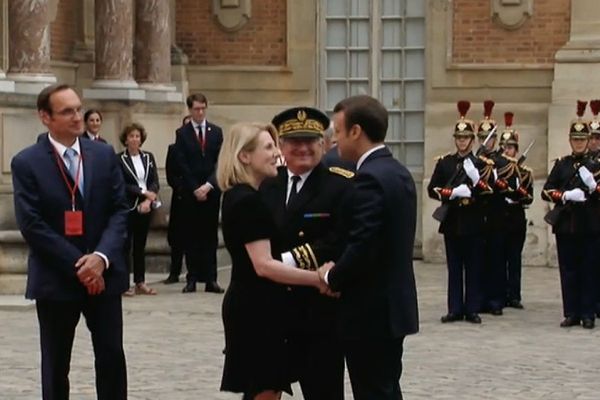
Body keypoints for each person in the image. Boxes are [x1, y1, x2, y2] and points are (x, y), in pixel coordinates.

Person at [11, 84, 128, 399]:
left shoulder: (103, 154)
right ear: (45, 117)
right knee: (55, 364)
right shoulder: (26, 163)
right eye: (67, 111)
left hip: (104, 275)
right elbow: (32, 225)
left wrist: (100, 258)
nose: (78, 117)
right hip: (56, 278)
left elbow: (119, 211)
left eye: (78, 108)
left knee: (112, 356)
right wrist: (80, 265)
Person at [217, 122, 329, 400]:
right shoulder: (247, 202)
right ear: (244, 156)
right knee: (264, 389)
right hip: (257, 310)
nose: (277, 153)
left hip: (258, 305)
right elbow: (264, 265)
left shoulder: (244, 196)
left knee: (265, 388)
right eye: (268, 147)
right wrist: (318, 279)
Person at [318, 95, 419, 400]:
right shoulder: (397, 171)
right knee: (386, 389)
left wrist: (330, 277)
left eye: (337, 131)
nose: (334, 140)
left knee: (372, 391)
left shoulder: (370, 178)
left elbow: (363, 243)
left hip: (370, 312)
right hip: (393, 308)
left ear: (355, 131)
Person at [261, 107, 353, 400]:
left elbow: (339, 239)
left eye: (310, 140)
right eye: (294, 142)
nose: (303, 148)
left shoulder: (340, 184)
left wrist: (281, 262)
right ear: (281, 147)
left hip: (318, 312)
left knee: (323, 391)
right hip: (271, 310)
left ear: (323, 144)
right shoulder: (266, 184)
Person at [427, 100, 494, 324]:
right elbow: (433, 189)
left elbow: (489, 193)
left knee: (474, 268)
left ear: (472, 140)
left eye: (465, 138)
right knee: (454, 268)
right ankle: (455, 308)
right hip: (453, 220)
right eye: (458, 138)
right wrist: (452, 193)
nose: (461, 141)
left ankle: (472, 308)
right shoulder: (445, 163)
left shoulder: (481, 164)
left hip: (474, 220)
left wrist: (475, 181)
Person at [542, 100, 599, 329]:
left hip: (591, 224)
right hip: (566, 225)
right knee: (568, 270)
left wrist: (592, 187)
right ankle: (571, 312)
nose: (578, 143)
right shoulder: (562, 165)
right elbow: (547, 190)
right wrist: (565, 196)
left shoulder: (596, 165)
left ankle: (587, 313)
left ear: (588, 141)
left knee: (589, 269)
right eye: (575, 140)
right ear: (570, 141)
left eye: (582, 140)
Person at [174, 93, 224, 293]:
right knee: (192, 236)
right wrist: (195, 187)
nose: (200, 112)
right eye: (196, 108)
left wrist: (209, 185)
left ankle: (211, 278)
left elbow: (220, 161)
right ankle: (192, 277)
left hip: (211, 191)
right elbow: (182, 163)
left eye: (203, 108)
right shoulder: (182, 133)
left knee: (210, 236)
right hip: (191, 193)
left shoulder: (216, 132)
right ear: (190, 110)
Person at [495, 113, 533, 309]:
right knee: (500, 258)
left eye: (511, 147)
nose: (507, 150)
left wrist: (520, 192)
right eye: (505, 147)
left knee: (514, 258)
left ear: (516, 150)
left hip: (516, 218)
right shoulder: (498, 170)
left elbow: (529, 198)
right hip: (501, 217)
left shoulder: (524, 172)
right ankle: (501, 294)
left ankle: (515, 295)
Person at [117, 123, 160, 296]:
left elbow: (154, 180)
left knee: (140, 246)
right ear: (126, 140)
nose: (135, 139)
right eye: (131, 136)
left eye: (137, 136)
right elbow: (122, 183)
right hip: (129, 205)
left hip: (146, 206)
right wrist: (144, 193)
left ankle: (140, 281)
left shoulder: (148, 157)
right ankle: (124, 283)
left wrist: (149, 200)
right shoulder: (119, 159)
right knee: (125, 246)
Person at [163, 115, 192, 284]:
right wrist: (182, 188)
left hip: (196, 197)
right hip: (181, 197)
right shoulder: (174, 149)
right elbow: (170, 174)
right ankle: (174, 272)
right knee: (177, 238)